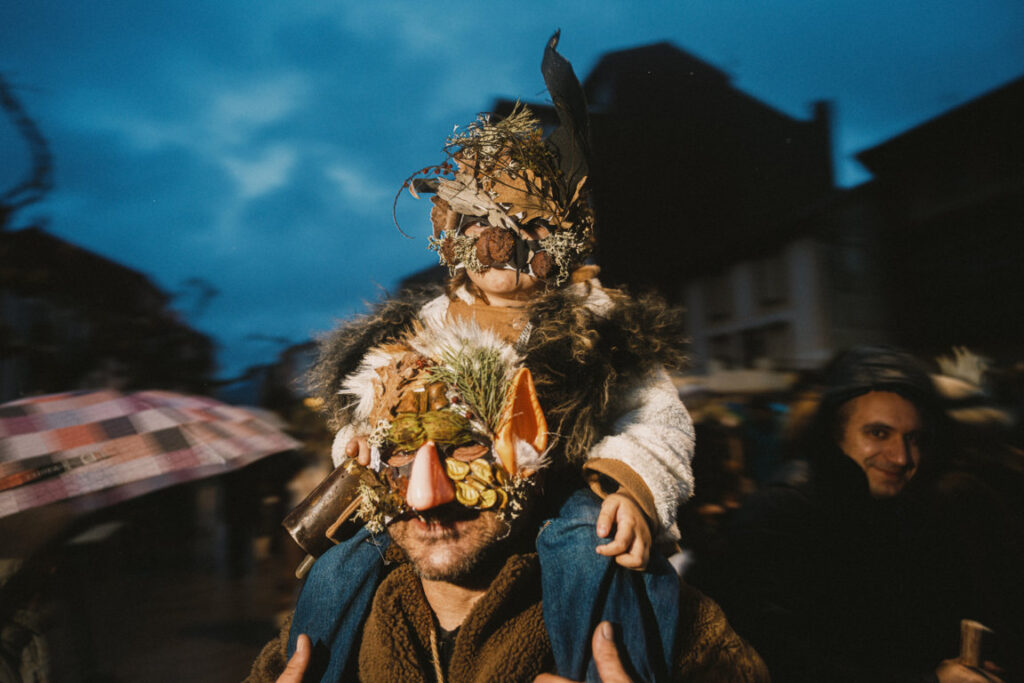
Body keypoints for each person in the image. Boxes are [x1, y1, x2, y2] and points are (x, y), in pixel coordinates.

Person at [247, 33, 767, 682]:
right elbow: (375, 394)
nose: (507, 251)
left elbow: (654, 415)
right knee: (338, 562)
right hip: (411, 501)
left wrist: (630, 489)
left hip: (567, 495)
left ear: (565, 237)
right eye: (488, 230)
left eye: (533, 234)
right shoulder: (430, 321)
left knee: (588, 543)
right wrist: (364, 441)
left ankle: (601, 662)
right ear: (460, 236)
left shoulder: (592, 318)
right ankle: (312, 662)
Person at [690, 346, 1013, 682]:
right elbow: (782, 662)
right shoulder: (782, 514)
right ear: (835, 434)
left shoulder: (897, 509)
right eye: (878, 433)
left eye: (913, 438)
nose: (902, 456)